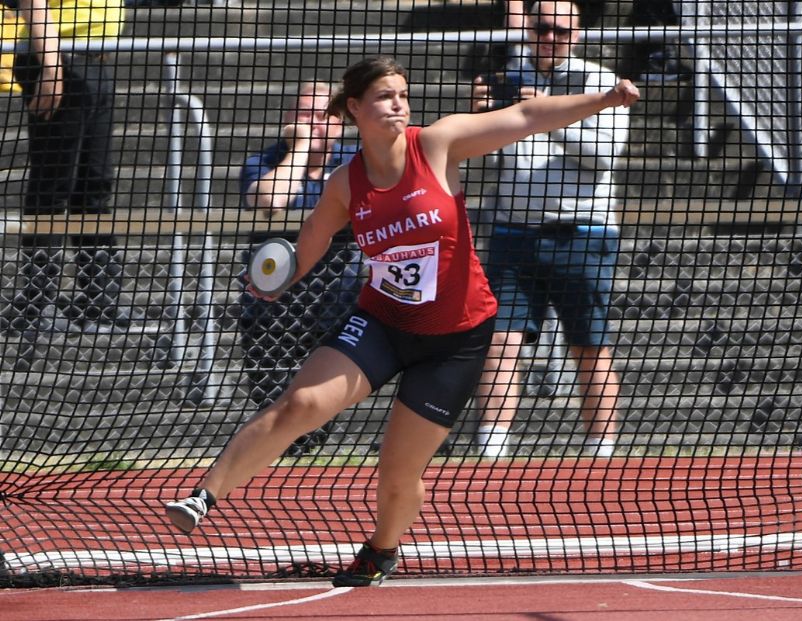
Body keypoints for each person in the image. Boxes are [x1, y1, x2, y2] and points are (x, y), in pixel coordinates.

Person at [165, 54, 638, 587]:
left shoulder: (436, 144)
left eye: (402, 94)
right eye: (384, 96)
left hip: (455, 341)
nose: (397, 103)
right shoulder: (346, 182)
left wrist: (602, 100)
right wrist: (275, 281)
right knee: (300, 402)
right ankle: (203, 495)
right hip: (382, 323)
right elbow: (312, 241)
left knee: (396, 474)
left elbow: (527, 117)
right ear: (354, 109)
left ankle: (381, 550)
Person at [470, 0, 634, 459]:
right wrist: (479, 117)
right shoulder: (505, 77)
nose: (550, 37)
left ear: (577, 33)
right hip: (513, 230)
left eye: (561, 31)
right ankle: (491, 451)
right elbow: (480, 150)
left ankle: (601, 453)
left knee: (589, 344)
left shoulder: (601, 83)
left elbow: (602, 156)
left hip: (583, 232)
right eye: (542, 28)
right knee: (501, 342)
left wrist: (543, 114)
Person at [238, 81, 362, 456]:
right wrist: (302, 147)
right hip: (271, 309)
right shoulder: (262, 163)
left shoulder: (359, 162)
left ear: (340, 124)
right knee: (276, 418)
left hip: (336, 304)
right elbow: (272, 200)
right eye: (306, 114)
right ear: (288, 119)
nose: (316, 124)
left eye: (325, 117)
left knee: (315, 417)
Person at [2, 0, 128, 336]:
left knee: (95, 185)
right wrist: (51, 66)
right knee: (53, 186)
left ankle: (99, 299)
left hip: (93, 62)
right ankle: (37, 300)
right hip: (59, 61)